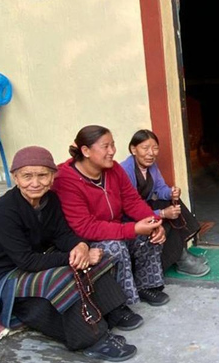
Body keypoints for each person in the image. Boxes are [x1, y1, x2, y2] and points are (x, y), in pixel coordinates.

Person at [0, 146, 138, 362]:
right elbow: (26, 260)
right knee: (64, 276)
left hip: (25, 263)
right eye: (27, 176)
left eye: (42, 175)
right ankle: (93, 338)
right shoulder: (4, 211)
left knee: (95, 257)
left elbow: (63, 235)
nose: (35, 183)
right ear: (15, 178)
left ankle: (111, 310)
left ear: (53, 176)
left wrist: (80, 247)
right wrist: (73, 258)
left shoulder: (50, 201)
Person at [52, 125, 170, 313]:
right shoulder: (66, 180)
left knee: (149, 233)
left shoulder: (113, 169)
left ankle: (146, 286)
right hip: (84, 240)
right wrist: (132, 229)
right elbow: (85, 227)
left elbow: (131, 201)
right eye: (106, 146)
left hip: (113, 227)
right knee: (114, 246)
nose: (112, 151)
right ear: (85, 151)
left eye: (113, 145)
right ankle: (118, 306)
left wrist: (152, 221)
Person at [121, 129, 209, 277]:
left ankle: (182, 253)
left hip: (144, 207)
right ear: (133, 149)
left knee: (172, 202)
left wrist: (171, 192)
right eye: (145, 148)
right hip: (129, 215)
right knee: (167, 217)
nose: (151, 153)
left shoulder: (151, 166)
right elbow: (129, 208)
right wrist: (161, 213)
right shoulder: (125, 170)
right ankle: (181, 260)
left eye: (155, 148)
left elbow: (160, 188)